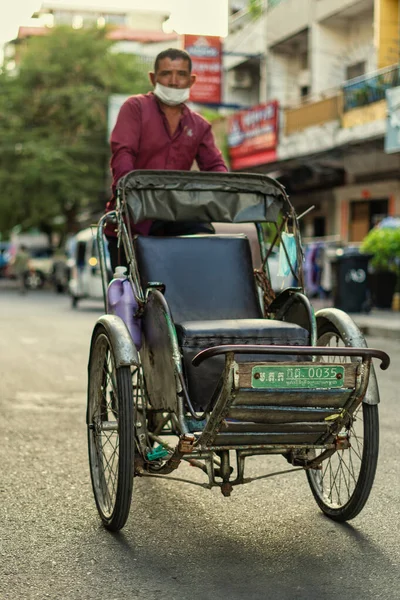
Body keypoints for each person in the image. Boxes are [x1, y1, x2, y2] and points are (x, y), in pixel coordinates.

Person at [105, 47, 228, 269]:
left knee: (206, 238)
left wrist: (226, 191)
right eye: (166, 74)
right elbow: (123, 153)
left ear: (191, 80)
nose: (173, 81)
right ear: (153, 78)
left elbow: (215, 166)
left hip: (174, 215)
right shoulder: (135, 108)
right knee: (130, 296)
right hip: (132, 219)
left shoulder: (199, 125)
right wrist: (128, 194)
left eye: (181, 74)